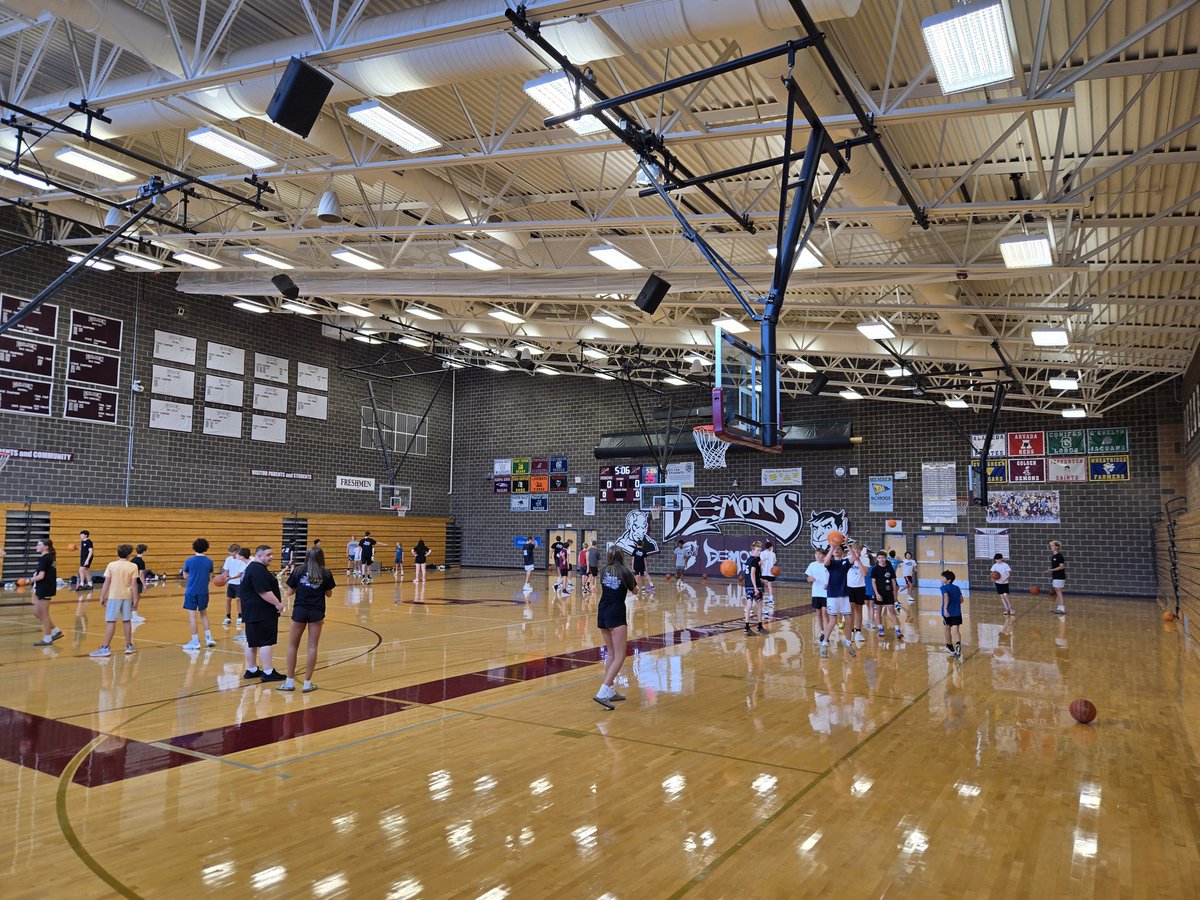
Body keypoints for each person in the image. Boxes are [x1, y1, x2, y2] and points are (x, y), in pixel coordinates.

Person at [280, 546, 335, 693]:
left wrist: (285, 587)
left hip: (299, 611)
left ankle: (289, 682)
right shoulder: (326, 573)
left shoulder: (298, 571)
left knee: (292, 646)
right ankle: (307, 683)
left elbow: (289, 593)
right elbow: (329, 594)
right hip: (317, 612)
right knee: (312, 647)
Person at [593, 547, 638, 710]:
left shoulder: (603, 570)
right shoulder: (626, 571)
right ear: (622, 556)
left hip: (602, 610)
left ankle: (611, 691)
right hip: (616, 612)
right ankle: (602, 692)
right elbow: (635, 591)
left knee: (610, 653)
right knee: (620, 655)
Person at [238, 545, 286, 681]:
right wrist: (277, 603)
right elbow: (264, 592)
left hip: (251, 611)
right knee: (266, 641)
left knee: (251, 641)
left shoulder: (251, 568)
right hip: (261, 612)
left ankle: (251, 669)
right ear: (258, 556)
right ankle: (268, 672)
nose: (271, 557)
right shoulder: (258, 570)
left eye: (272, 554)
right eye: (268, 555)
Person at [89, 544, 140, 657]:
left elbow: (106, 582)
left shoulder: (111, 565)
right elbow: (134, 585)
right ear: (129, 554)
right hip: (127, 596)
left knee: (111, 621)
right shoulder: (133, 566)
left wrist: (102, 596)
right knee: (127, 621)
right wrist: (136, 599)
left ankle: (106, 647)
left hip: (114, 596)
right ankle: (128, 646)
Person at [824, 539, 858, 658]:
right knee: (833, 620)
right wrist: (832, 547)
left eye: (839, 549)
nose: (837, 550)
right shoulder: (831, 563)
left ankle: (848, 643)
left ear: (843, 552)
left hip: (844, 595)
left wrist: (847, 544)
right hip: (832, 594)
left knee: (848, 619)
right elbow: (826, 561)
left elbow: (854, 558)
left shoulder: (845, 562)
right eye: (835, 549)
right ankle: (824, 643)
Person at [181, 538, 215, 650]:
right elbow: (210, 576)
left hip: (191, 591)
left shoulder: (189, 561)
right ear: (206, 548)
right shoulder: (209, 561)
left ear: (194, 547)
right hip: (204, 591)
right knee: (204, 614)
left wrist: (193, 576)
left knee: (192, 616)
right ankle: (209, 638)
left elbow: (185, 576)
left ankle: (195, 641)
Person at [30, 538, 63, 646]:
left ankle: (48, 638)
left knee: (44, 613)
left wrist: (28, 580)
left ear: (46, 547)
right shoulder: (49, 558)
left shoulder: (45, 558)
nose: (37, 547)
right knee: (36, 612)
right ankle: (55, 631)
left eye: (39, 545)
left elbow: (41, 576)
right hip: (43, 587)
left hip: (45, 588)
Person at [870, 551, 902, 639]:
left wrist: (894, 593)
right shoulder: (875, 569)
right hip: (879, 593)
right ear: (877, 559)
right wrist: (876, 593)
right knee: (878, 612)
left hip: (889, 593)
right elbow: (873, 582)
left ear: (886, 558)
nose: (881, 559)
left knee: (892, 611)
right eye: (879, 558)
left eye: (883, 557)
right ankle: (880, 629)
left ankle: (897, 630)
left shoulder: (889, 568)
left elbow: (893, 581)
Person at [806, 549, 831, 656]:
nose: (817, 555)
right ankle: (822, 632)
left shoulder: (828, 564)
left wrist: (829, 584)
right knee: (819, 613)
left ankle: (826, 635)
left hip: (826, 593)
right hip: (816, 593)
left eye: (820, 554)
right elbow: (808, 578)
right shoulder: (812, 565)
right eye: (816, 553)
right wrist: (810, 579)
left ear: (824, 555)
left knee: (825, 613)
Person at [845, 542, 869, 643]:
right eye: (855, 549)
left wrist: (858, 560)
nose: (856, 551)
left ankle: (858, 631)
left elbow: (864, 573)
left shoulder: (865, 559)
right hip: (849, 587)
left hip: (860, 587)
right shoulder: (847, 559)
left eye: (858, 549)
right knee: (850, 610)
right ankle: (850, 631)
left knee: (859, 610)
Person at [742, 541, 766, 636]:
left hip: (748, 585)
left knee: (748, 606)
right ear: (752, 550)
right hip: (755, 586)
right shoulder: (755, 560)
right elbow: (752, 573)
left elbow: (753, 574)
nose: (759, 552)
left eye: (760, 550)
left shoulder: (748, 560)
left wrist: (761, 579)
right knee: (759, 606)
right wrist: (756, 587)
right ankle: (759, 627)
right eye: (757, 550)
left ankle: (747, 628)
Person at [940, 569, 964, 658]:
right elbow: (961, 599)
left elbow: (946, 596)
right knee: (956, 629)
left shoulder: (944, 587)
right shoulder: (957, 587)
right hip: (957, 612)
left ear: (948, 580)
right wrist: (956, 605)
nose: (941, 579)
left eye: (943, 577)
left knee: (947, 628)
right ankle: (958, 643)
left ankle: (949, 646)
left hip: (947, 612)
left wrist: (946, 609)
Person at [220, 543, 243, 626]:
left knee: (238, 599)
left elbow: (241, 573)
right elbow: (226, 571)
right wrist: (223, 577)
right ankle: (228, 617)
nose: (230, 554)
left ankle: (240, 616)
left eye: (232, 552)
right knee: (228, 599)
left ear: (237, 552)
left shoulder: (241, 560)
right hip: (231, 583)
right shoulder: (228, 559)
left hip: (239, 583)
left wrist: (231, 578)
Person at [1046, 541, 1067, 614]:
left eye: (1052, 545)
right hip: (1055, 576)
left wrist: (1051, 570)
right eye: (1050, 545)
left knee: (1059, 591)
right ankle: (1059, 607)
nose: (1050, 547)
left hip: (1060, 576)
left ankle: (1062, 608)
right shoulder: (1053, 556)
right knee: (1057, 591)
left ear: (1056, 547)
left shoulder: (1059, 556)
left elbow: (1061, 566)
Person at [131, 543, 148, 624]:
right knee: (136, 598)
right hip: (137, 582)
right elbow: (141, 574)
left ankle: (133, 614)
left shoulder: (133, 560)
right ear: (144, 551)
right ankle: (133, 616)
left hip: (131, 581)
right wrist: (144, 584)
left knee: (135, 597)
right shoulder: (141, 562)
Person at [759, 540, 777, 613]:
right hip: (771, 572)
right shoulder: (773, 554)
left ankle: (761, 601)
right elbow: (774, 562)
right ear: (770, 547)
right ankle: (771, 599)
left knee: (762, 587)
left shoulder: (762, 553)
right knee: (769, 585)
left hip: (763, 572)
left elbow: (759, 563)